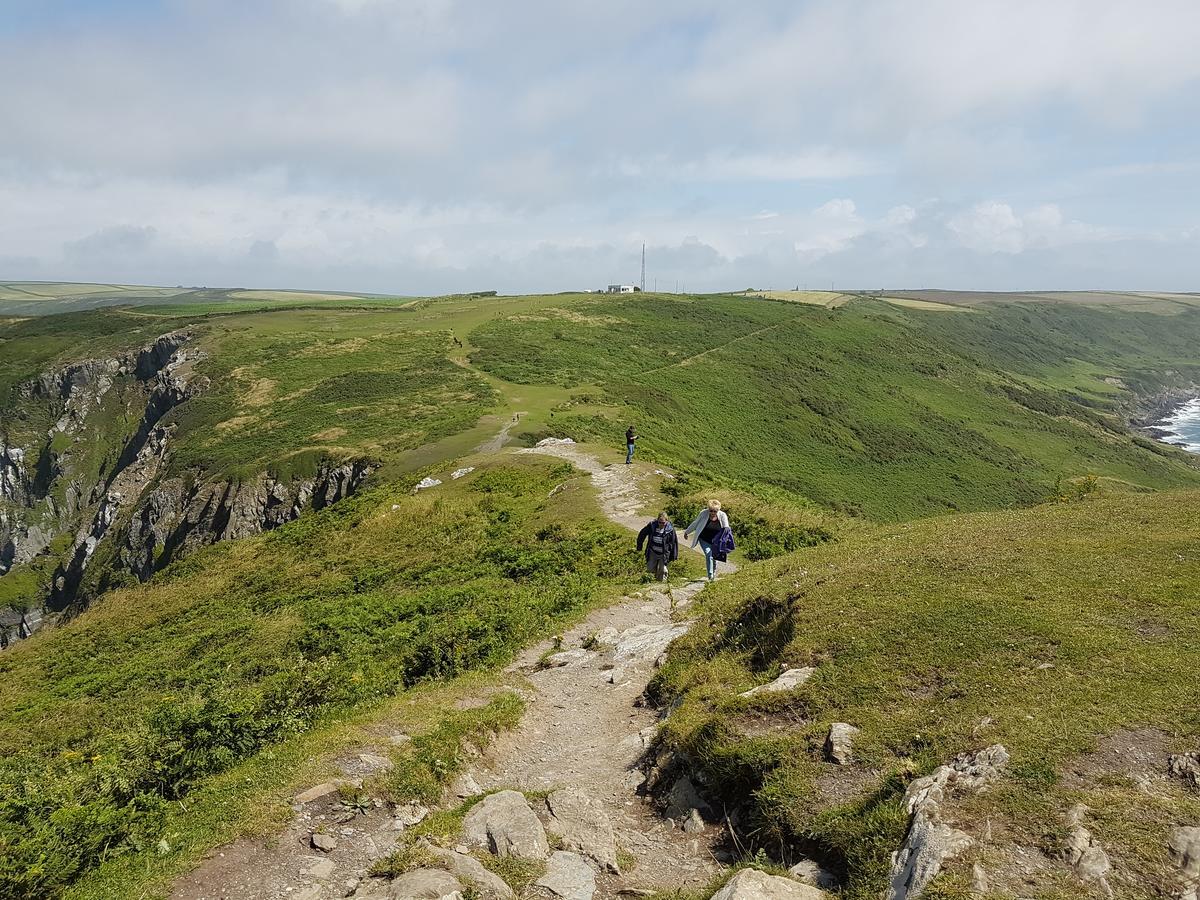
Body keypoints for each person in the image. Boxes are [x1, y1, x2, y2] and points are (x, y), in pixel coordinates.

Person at [685, 499, 731, 582]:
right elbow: (695, 523)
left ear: (718, 510)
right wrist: (687, 532)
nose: (713, 513)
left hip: (716, 541)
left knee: (714, 557)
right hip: (704, 539)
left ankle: (713, 573)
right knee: (709, 554)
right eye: (711, 511)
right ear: (708, 509)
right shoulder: (703, 513)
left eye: (715, 511)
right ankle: (710, 576)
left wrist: (726, 538)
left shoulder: (722, 515)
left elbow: (726, 527)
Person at [636, 512, 678, 582]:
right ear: (657, 520)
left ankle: (661, 585)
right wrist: (639, 547)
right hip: (652, 552)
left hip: (663, 553)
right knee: (650, 569)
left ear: (666, 521)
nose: (661, 524)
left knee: (662, 571)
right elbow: (642, 534)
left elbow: (674, 543)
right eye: (659, 522)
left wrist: (674, 555)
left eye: (663, 523)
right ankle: (649, 582)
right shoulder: (652, 526)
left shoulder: (670, 529)